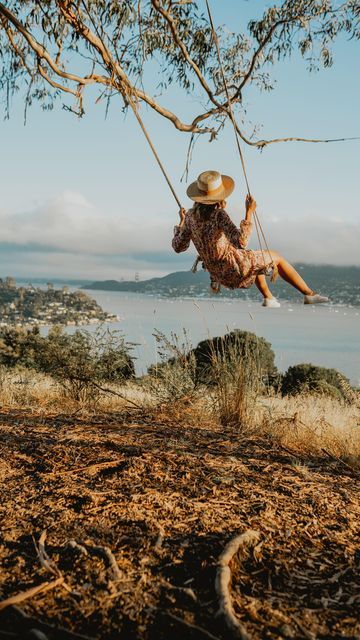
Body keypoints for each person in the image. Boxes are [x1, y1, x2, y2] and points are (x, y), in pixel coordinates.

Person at [172, 170, 329, 307]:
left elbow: (178, 246)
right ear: (220, 196)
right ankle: (309, 295)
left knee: (255, 258)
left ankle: (269, 298)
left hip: (219, 274)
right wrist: (249, 212)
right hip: (236, 268)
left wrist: (182, 221)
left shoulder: (191, 218)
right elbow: (240, 242)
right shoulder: (219, 215)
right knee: (276, 257)